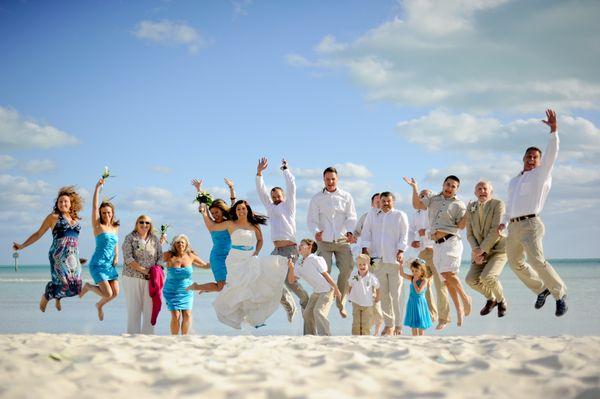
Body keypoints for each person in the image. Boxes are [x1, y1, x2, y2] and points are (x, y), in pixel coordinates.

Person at [498, 109, 567, 316]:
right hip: (514, 226)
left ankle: (560, 294)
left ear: (540, 160)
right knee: (515, 263)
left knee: (537, 261)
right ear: (523, 158)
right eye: (528, 156)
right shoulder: (514, 180)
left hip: (531, 224)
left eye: (535, 157)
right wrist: (504, 222)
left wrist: (554, 131)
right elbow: (509, 205)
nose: (531, 159)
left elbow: (552, 153)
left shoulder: (541, 174)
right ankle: (541, 289)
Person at [404, 175, 472, 327]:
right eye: (447, 184)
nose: (449, 188)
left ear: (457, 189)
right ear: (443, 185)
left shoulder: (458, 204)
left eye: (453, 186)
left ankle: (464, 299)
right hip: (436, 245)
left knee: (447, 277)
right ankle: (456, 308)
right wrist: (414, 188)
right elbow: (417, 205)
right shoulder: (433, 200)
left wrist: (468, 213)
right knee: (445, 280)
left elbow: (461, 226)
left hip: (451, 242)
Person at [210, 200, 289, 329]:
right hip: (235, 259)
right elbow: (212, 227)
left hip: (250, 257)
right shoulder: (230, 223)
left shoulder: (254, 225)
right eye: (238, 209)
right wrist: (203, 210)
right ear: (235, 211)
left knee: (254, 286)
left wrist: (256, 253)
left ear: (248, 210)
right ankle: (242, 317)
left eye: (243, 209)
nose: (241, 211)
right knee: (238, 288)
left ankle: (255, 318)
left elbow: (260, 240)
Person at [13, 186, 84, 312]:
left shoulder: (75, 219)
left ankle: (58, 298)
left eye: (65, 201)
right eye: (60, 201)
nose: (63, 203)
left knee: (76, 287)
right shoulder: (53, 217)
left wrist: (78, 257)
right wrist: (22, 245)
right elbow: (38, 233)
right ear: (57, 203)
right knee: (64, 284)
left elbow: (74, 241)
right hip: (58, 255)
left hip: (73, 256)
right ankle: (47, 295)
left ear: (71, 203)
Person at [256, 157, 309, 323]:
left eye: (278, 195)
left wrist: (285, 169)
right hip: (277, 250)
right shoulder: (270, 208)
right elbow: (261, 192)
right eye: (273, 196)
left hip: (290, 249)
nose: (275, 197)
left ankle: (305, 301)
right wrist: (259, 174)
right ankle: (288, 303)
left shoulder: (289, 206)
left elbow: (292, 187)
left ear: (283, 196)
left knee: (290, 282)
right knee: (267, 278)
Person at [307, 166, 357, 318]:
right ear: (324, 179)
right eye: (327, 179)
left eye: (333, 179)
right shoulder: (316, 198)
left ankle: (340, 302)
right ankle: (323, 305)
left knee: (348, 268)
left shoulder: (346, 196)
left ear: (337, 179)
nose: (330, 182)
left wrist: (349, 231)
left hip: (342, 240)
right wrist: (316, 232)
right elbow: (311, 219)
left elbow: (351, 216)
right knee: (324, 272)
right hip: (325, 241)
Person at [361, 191, 409, 335]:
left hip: (394, 261)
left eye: (388, 201)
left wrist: (401, 251)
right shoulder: (372, 216)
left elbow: (404, 235)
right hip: (377, 260)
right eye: (383, 201)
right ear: (379, 202)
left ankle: (398, 325)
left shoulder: (399, 215)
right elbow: (366, 233)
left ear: (393, 202)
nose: (385, 203)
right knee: (384, 295)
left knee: (397, 294)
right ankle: (389, 325)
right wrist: (365, 250)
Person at [408, 188, 450, 329]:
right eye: (421, 195)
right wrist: (411, 241)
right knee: (422, 285)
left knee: (440, 285)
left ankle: (444, 318)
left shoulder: (435, 211)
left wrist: (425, 233)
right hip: (422, 253)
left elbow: (439, 229)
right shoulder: (417, 213)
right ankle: (432, 315)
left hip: (436, 250)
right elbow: (411, 230)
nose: (424, 197)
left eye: (427, 195)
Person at [80, 178, 120, 321]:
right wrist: (97, 187)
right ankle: (89, 287)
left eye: (109, 212)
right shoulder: (98, 227)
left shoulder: (115, 227)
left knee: (116, 292)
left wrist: (116, 256)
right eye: (104, 213)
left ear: (112, 213)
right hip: (97, 264)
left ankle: (99, 305)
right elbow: (94, 208)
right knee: (108, 293)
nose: (106, 215)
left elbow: (116, 243)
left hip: (109, 265)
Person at [466, 181, 508, 317]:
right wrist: (476, 250)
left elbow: (496, 230)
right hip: (479, 251)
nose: (482, 191)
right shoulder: (471, 207)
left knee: (487, 277)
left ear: (491, 191)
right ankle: (492, 299)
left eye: (485, 188)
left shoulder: (498, 204)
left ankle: (502, 301)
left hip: (498, 249)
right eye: (479, 188)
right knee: (470, 280)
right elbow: (469, 233)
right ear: (475, 192)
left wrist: (482, 250)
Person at [188, 178, 235, 292]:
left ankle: (208, 288)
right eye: (212, 213)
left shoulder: (230, 222)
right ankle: (197, 286)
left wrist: (231, 188)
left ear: (223, 210)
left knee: (231, 286)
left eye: (216, 212)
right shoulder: (212, 225)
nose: (214, 215)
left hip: (232, 257)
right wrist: (199, 189)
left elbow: (234, 205)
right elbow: (204, 209)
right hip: (217, 258)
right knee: (221, 287)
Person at [288, 239, 342, 336]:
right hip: (317, 292)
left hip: (327, 290)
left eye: (302, 244)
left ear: (310, 247)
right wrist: (291, 268)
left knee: (318, 312)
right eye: (299, 244)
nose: (299, 246)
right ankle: (310, 336)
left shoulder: (315, 259)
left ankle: (326, 336)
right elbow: (291, 280)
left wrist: (336, 289)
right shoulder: (299, 262)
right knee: (307, 314)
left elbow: (325, 275)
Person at [122, 215, 166, 334]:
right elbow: (128, 258)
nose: (144, 225)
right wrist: (144, 271)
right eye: (141, 222)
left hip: (151, 280)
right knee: (134, 309)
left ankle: (148, 337)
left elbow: (160, 257)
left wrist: (158, 271)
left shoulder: (154, 239)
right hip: (132, 277)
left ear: (150, 225)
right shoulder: (130, 238)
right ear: (137, 223)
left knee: (150, 310)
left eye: (147, 223)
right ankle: (132, 336)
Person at [162, 234, 209, 335]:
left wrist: (221, 262)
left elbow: (205, 265)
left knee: (187, 315)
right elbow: (155, 259)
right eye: (178, 242)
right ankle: (174, 338)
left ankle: (184, 338)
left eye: (182, 242)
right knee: (175, 315)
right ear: (174, 244)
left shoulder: (190, 256)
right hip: (171, 291)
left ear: (186, 244)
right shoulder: (169, 255)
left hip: (187, 290)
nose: (180, 244)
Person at [347, 254, 380, 335]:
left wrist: (378, 297)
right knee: (356, 321)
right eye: (359, 264)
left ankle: (365, 337)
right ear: (357, 265)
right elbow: (350, 285)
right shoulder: (354, 275)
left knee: (366, 322)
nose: (362, 266)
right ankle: (355, 336)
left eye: (364, 264)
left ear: (368, 265)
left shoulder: (371, 277)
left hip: (368, 303)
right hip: (356, 301)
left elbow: (378, 286)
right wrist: (349, 296)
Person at [399, 259, 433, 336]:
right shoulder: (412, 277)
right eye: (413, 271)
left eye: (416, 271)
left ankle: (421, 337)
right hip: (412, 301)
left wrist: (414, 282)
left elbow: (418, 291)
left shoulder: (424, 280)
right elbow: (402, 274)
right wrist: (401, 264)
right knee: (414, 322)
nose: (414, 273)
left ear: (422, 271)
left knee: (421, 321)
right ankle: (414, 338)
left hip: (420, 302)